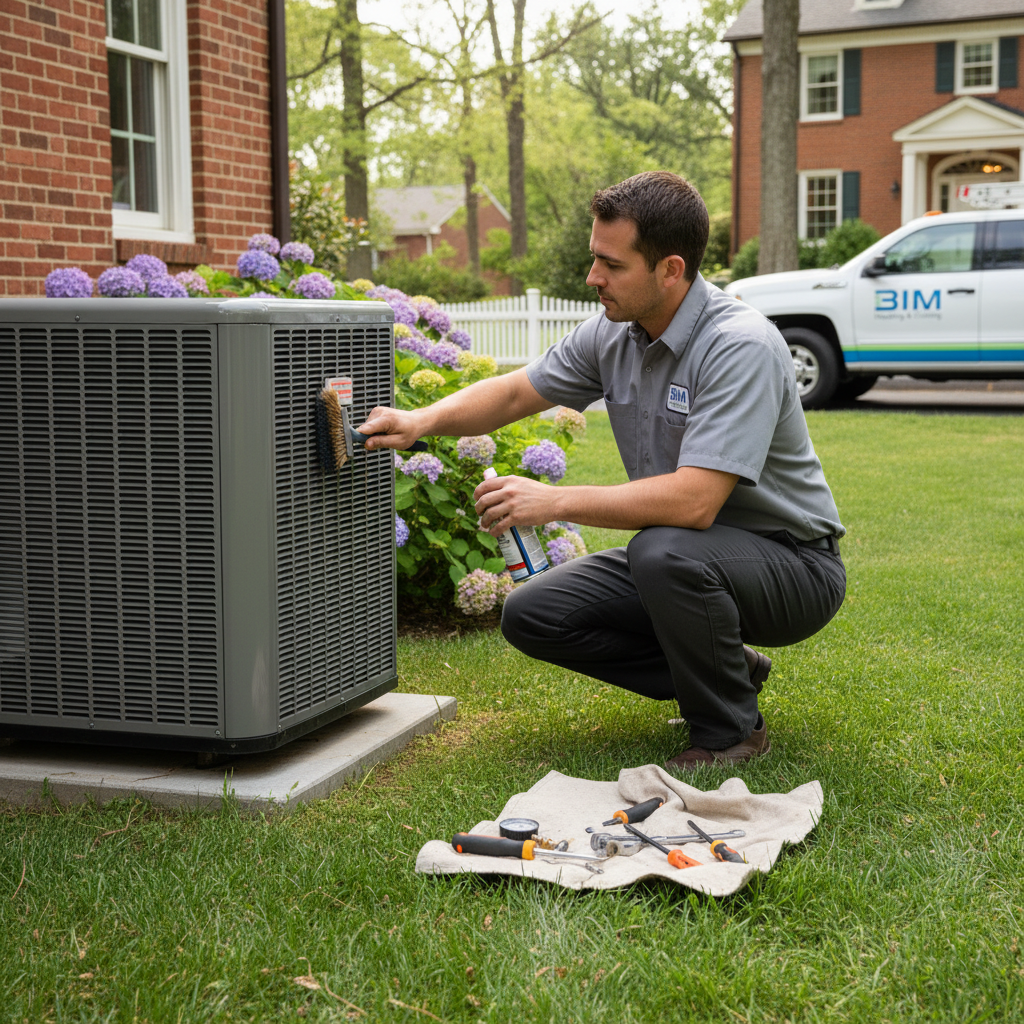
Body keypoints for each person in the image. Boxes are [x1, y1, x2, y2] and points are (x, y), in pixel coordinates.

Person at [359, 171, 846, 771]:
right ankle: (729, 669)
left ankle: (730, 731)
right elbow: (516, 393)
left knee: (662, 551)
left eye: (611, 265)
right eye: (595, 259)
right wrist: (420, 422)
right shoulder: (614, 332)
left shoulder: (738, 344)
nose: (593, 278)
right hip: (691, 554)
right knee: (533, 613)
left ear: (671, 269)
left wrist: (554, 502)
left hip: (792, 566)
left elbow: (695, 503)